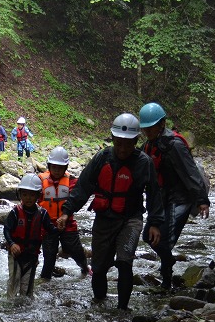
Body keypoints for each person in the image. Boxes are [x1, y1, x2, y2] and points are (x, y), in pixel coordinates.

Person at [56, 113, 164, 310]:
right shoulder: (102, 158)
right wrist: (66, 212)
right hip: (104, 219)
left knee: (124, 262)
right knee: (98, 269)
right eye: (118, 143)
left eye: (128, 144)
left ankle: (122, 310)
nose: (122, 149)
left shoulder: (144, 163)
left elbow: (154, 195)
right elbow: (83, 187)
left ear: (136, 141)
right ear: (113, 139)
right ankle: (99, 305)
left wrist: (155, 223)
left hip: (131, 220)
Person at [138, 102, 210, 290]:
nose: (147, 131)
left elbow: (191, 172)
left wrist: (202, 200)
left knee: (162, 240)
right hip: (162, 198)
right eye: (145, 128)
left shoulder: (174, 144)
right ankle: (168, 271)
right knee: (149, 236)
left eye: (150, 127)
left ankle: (167, 281)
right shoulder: (148, 145)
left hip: (181, 199)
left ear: (161, 124)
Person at [38, 146, 90, 280]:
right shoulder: (40, 181)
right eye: (54, 167)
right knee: (49, 255)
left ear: (65, 167)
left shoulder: (72, 181)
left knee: (75, 250)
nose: (56, 170)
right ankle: (45, 279)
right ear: (49, 166)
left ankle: (85, 268)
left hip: (68, 223)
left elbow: (77, 198)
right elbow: (33, 200)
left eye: (60, 167)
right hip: (48, 225)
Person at [4, 174, 58, 298]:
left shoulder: (42, 213)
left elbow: (50, 229)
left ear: (38, 196)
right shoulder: (15, 212)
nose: (28, 198)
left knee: (27, 288)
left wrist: (58, 229)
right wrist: (12, 244)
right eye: (25, 194)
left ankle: (26, 309)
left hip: (31, 256)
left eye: (32, 195)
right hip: (16, 254)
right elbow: (7, 230)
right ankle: (10, 306)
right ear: (20, 195)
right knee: (14, 281)